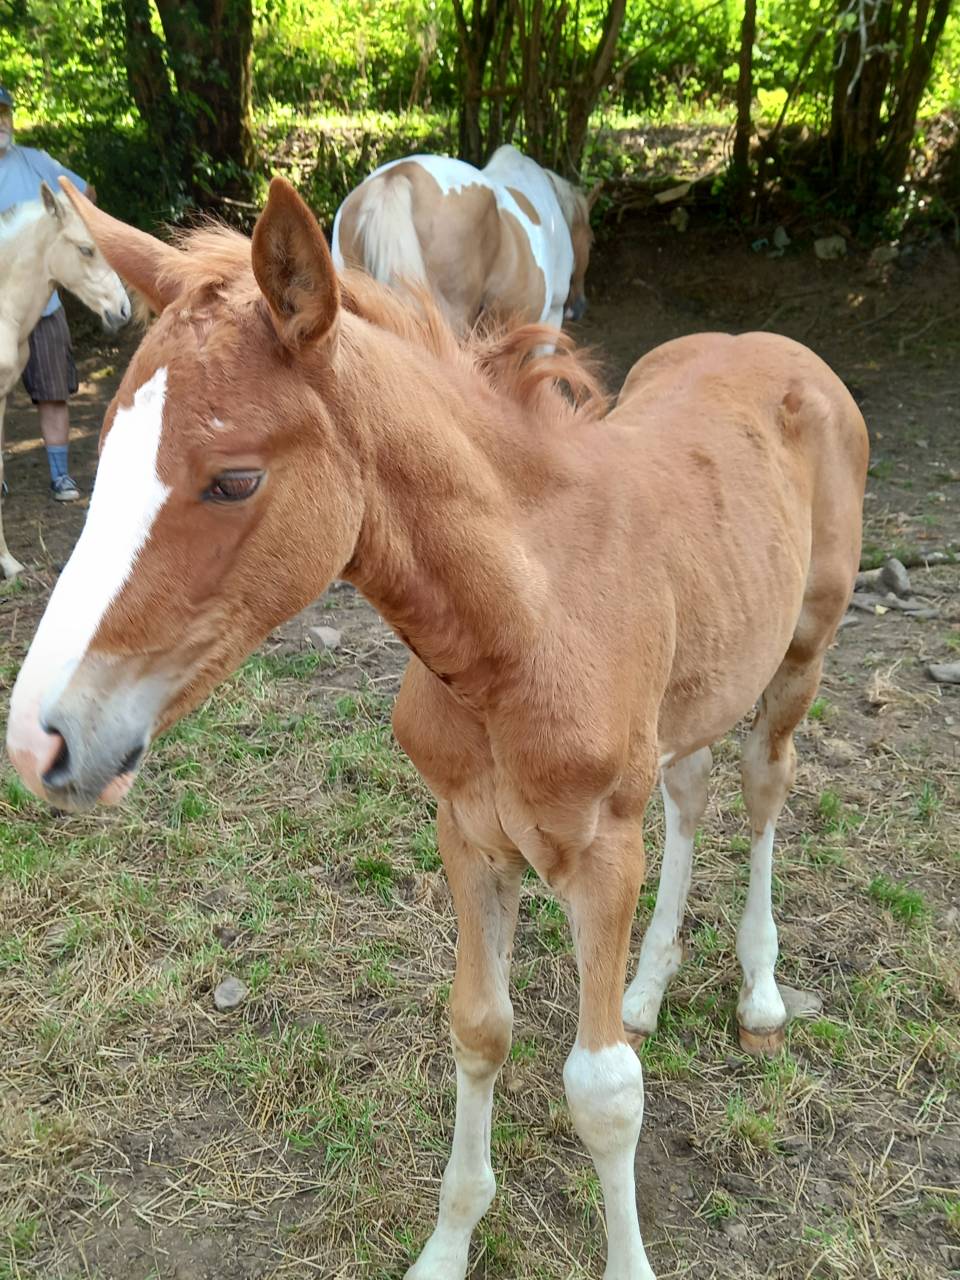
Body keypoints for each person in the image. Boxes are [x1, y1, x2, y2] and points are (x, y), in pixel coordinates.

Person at [0, 84, 99, 501]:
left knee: (54, 389)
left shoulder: (36, 161)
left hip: (46, 302)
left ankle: (61, 475)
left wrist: (75, 228)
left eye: (3, 113)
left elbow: (84, 193)